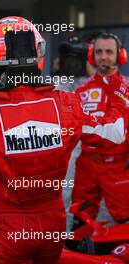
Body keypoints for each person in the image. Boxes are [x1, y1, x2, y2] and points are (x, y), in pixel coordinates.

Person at [0, 17, 127, 264]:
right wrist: (121, 97)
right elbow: (115, 133)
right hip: (52, 228)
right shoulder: (67, 103)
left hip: (8, 232)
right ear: (39, 54)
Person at [71, 32, 129, 230]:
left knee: (125, 220)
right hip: (87, 164)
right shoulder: (81, 91)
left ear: (120, 56)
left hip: (119, 165)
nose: (104, 57)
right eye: (99, 52)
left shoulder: (128, 87)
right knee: (80, 220)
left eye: (109, 52)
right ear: (91, 55)